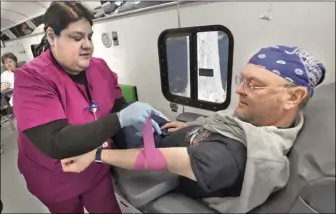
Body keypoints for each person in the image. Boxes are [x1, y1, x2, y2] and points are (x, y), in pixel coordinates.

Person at [61, 45, 326, 213]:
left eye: (254, 85)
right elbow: (223, 127)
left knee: (107, 119)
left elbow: (151, 158)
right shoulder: (258, 120)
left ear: (293, 98)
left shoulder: (232, 157)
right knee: (126, 110)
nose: (239, 90)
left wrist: (95, 155)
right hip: (172, 137)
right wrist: (190, 126)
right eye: (242, 80)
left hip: (152, 154)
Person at [13, 2, 162, 214]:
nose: (87, 45)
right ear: (52, 36)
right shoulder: (32, 79)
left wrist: (137, 116)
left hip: (96, 165)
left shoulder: (99, 67)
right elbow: (55, 141)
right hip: (55, 178)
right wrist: (120, 119)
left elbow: (115, 103)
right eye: (77, 37)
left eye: (89, 36)